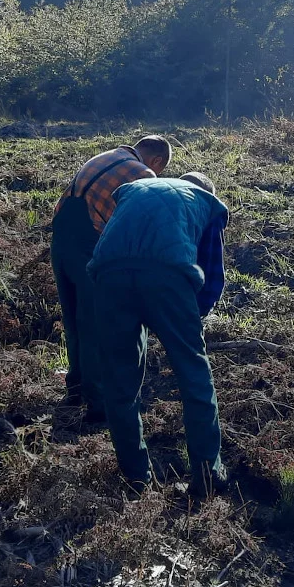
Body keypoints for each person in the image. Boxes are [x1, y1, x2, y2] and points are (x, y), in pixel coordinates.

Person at [86, 172, 229, 495]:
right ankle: (208, 474)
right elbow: (212, 276)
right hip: (168, 278)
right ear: (205, 191)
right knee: (194, 374)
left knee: (119, 381)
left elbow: (116, 241)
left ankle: (136, 480)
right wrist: (191, 323)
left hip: (109, 278)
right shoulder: (207, 203)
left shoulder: (134, 190)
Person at [51, 136, 171, 424]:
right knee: (95, 323)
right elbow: (136, 228)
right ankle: (98, 405)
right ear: (156, 161)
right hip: (87, 246)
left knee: (74, 321)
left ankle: (75, 390)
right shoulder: (144, 174)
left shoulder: (106, 156)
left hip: (61, 243)